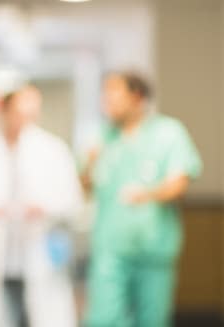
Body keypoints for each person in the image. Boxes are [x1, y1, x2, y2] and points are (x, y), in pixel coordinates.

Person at [0, 79, 83, 327]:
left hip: (38, 253)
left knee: (46, 315)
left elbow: (72, 200)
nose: (26, 120)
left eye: (32, 114)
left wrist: (45, 207)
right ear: (4, 111)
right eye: (20, 113)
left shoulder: (53, 150)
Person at [82, 71, 202, 327]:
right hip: (110, 249)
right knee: (103, 318)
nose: (106, 102)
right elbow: (85, 187)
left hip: (153, 249)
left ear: (136, 97)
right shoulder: (103, 137)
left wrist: (147, 194)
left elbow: (180, 183)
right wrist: (88, 167)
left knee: (152, 320)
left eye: (113, 95)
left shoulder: (168, 133)